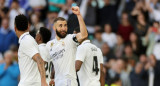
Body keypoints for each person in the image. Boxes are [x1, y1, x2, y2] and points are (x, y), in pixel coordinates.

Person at [47, 6, 88, 86]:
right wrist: (51, 78)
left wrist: (79, 15)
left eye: (65, 25)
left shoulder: (70, 38)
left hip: (69, 81)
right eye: (60, 26)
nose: (63, 28)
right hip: (57, 81)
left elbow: (84, 35)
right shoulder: (49, 44)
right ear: (54, 28)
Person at [14, 14, 48, 86]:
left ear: (15, 28)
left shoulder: (26, 40)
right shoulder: (27, 40)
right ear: (28, 27)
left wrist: (43, 82)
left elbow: (39, 60)